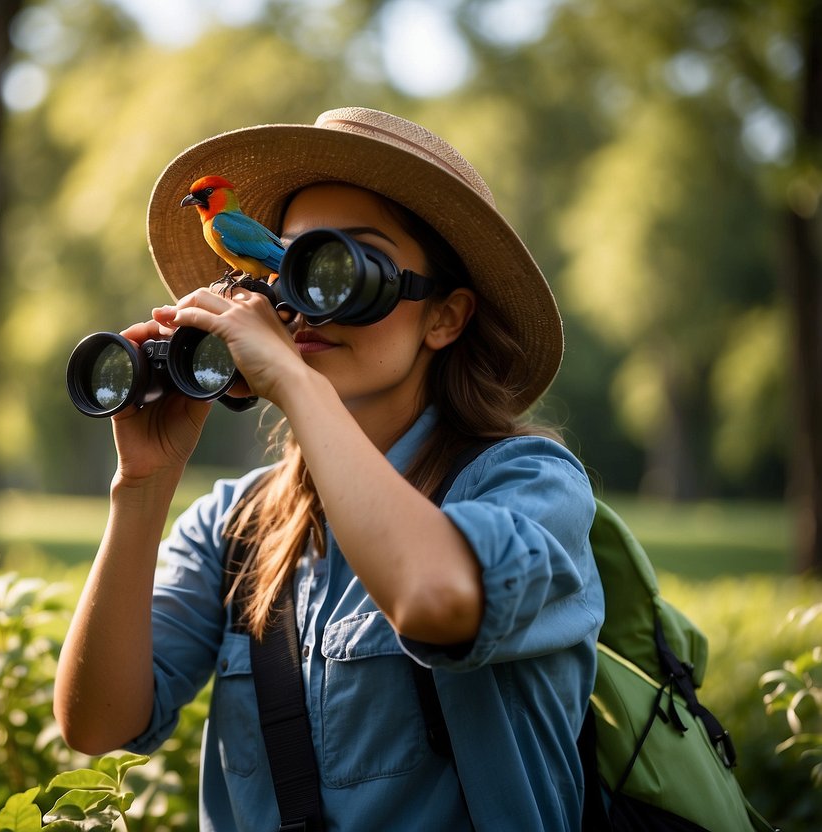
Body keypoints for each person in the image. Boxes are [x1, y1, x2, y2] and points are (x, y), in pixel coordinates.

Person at [54, 107, 604, 830]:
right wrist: (144, 484)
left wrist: (295, 382)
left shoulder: (530, 485)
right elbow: (97, 725)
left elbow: (435, 596)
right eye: (293, 260)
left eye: (344, 266)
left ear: (444, 316)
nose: (306, 301)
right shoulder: (235, 526)